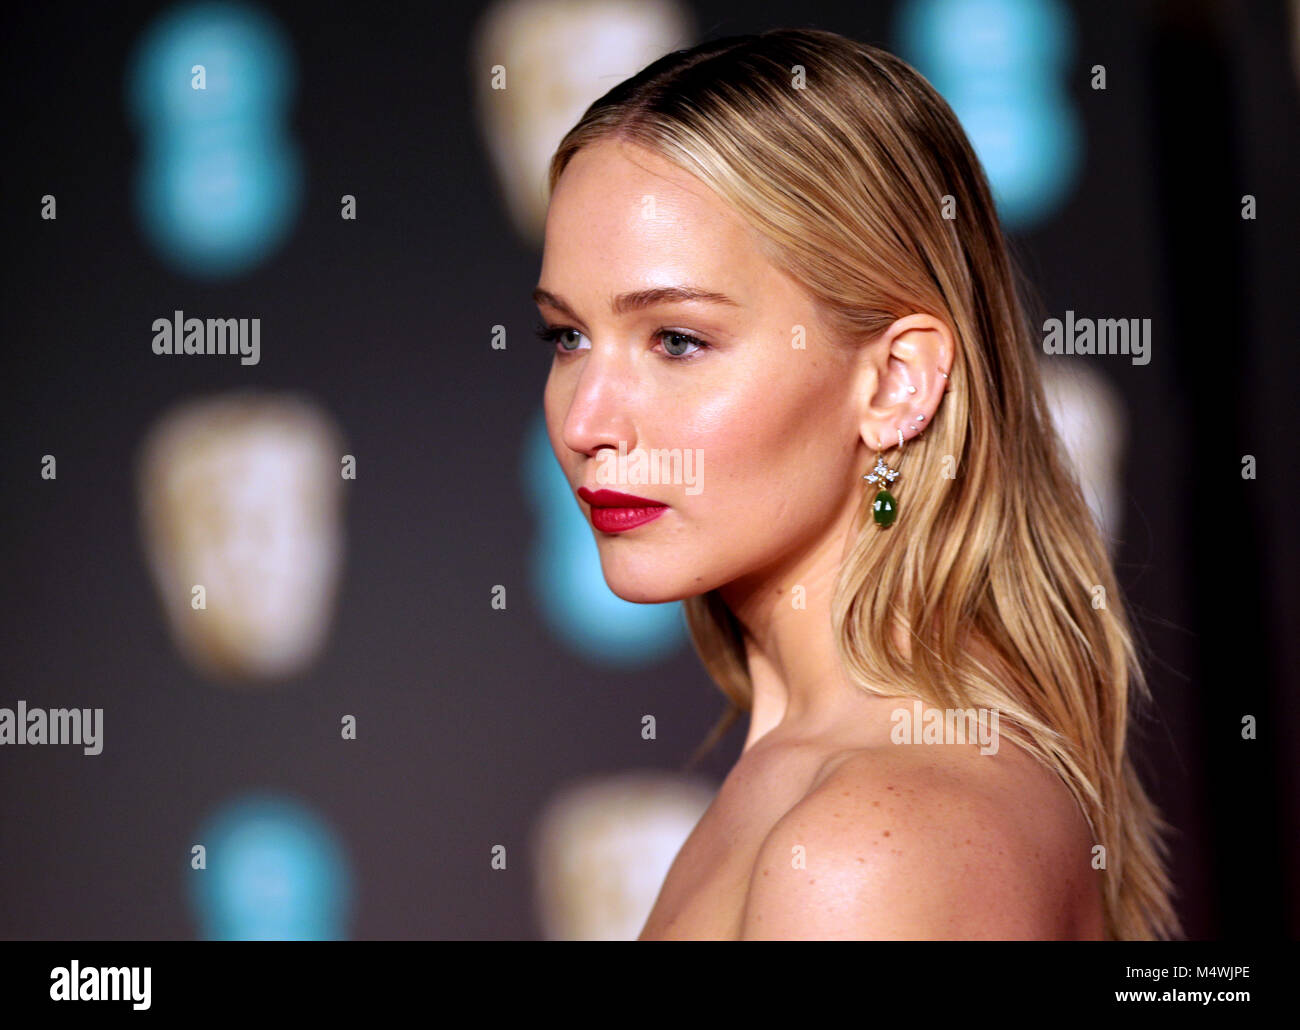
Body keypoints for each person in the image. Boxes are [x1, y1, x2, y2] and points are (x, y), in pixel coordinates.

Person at [532, 27, 1180, 940]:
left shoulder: (867, 849)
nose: (584, 422)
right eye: (566, 337)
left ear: (895, 382)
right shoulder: (827, 777)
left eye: (677, 340)